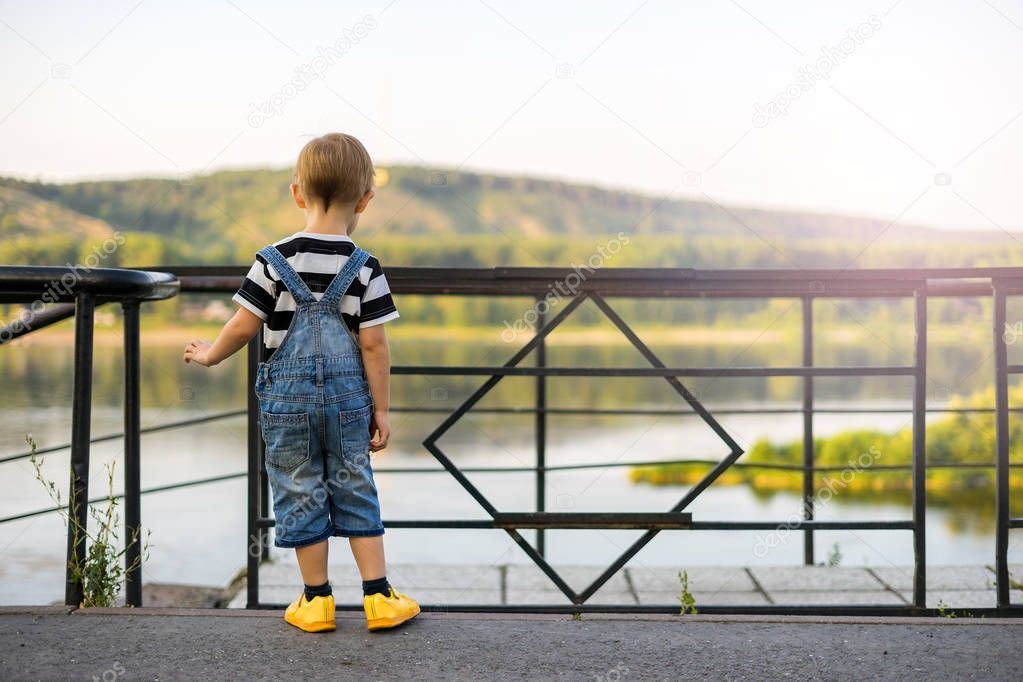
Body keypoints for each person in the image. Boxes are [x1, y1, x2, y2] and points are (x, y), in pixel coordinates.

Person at [183, 132, 419, 633]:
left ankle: (316, 601)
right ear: (366, 199)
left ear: (297, 193)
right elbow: (375, 346)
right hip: (349, 403)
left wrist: (210, 356)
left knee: (298, 486)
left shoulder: (272, 260)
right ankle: (378, 598)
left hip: (287, 407)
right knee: (355, 484)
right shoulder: (365, 267)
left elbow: (243, 326)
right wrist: (381, 410)